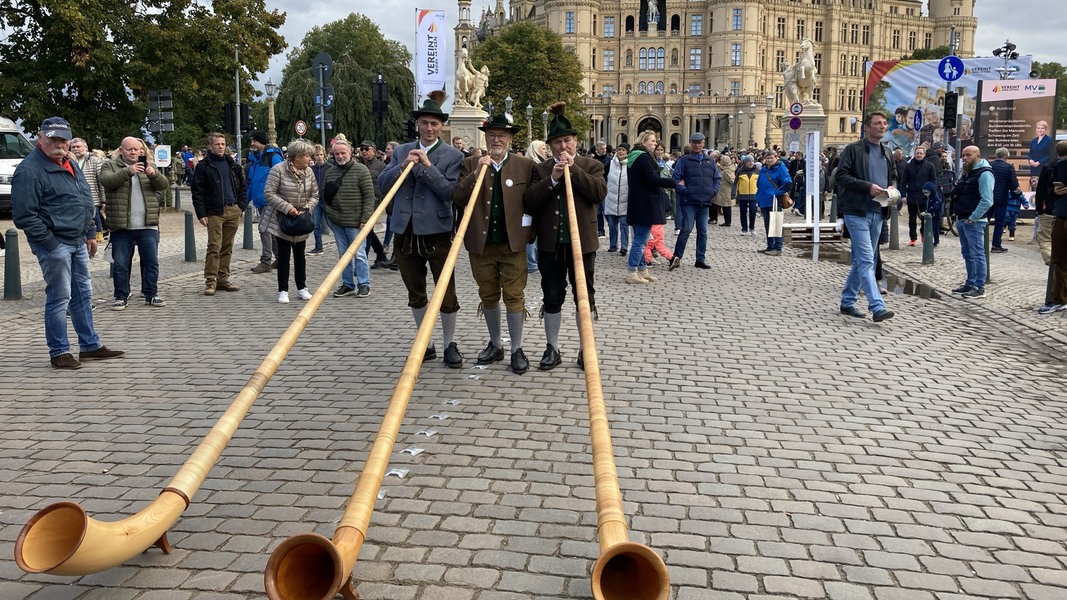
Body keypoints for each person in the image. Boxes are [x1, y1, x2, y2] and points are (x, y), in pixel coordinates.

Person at [11, 116, 124, 369]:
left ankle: (90, 346)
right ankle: (59, 351)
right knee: (60, 297)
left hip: (77, 240)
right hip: (55, 243)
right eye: (52, 138)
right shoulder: (30, 170)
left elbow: (84, 200)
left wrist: (90, 233)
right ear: (40, 137)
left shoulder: (69, 163)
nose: (58, 143)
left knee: (83, 295)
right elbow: (24, 215)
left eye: (63, 139)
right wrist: (50, 243)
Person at [378, 90, 466, 367]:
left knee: (446, 292)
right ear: (418, 124)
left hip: (437, 231)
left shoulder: (453, 155)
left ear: (442, 127)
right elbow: (383, 185)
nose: (429, 128)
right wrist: (402, 165)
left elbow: (450, 192)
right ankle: (425, 343)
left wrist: (427, 166)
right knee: (415, 291)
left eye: (435, 124)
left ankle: (450, 343)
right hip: (405, 231)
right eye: (425, 123)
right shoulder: (402, 150)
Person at [524, 102, 607, 370]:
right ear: (550, 145)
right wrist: (553, 180)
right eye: (557, 142)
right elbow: (530, 202)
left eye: (567, 141)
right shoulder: (542, 169)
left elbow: (598, 193)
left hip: (582, 243)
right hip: (551, 244)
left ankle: (586, 349)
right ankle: (552, 348)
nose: (563, 147)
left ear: (576, 141)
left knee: (585, 296)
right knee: (552, 295)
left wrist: (574, 171)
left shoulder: (591, 165)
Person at [453, 114, 536, 374]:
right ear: (485, 138)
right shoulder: (470, 163)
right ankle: (495, 343)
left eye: (502, 135)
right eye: (491, 135)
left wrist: (531, 234)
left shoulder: (525, 165)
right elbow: (457, 196)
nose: (496, 140)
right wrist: (476, 172)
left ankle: (516, 349)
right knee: (488, 294)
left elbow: (534, 200)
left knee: (514, 295)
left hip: (513, 244)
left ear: (510, 139)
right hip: (481, 242)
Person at [834, 111, 897, 322]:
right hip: (856, 211)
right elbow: (841, 176)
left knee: (864, 260)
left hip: (879, 211)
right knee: (867, 259)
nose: (882, 126)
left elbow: (893, 178)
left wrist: (892, 190)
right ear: (867, 127)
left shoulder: (887, 152)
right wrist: (867, 187)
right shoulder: (853, 150)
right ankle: (877, 306)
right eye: (877, 123)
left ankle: (847, 301)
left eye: (884, 123)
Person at [99, 136, 170, 310]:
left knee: (151, 262)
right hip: (122, 225)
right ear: (121, 150)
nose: (134, 152)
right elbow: (107, 181)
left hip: (148, 224)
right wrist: (128, 171)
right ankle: (121, 296)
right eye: (129, 149)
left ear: (141, 150)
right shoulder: (110, 165)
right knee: (121, 264)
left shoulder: (148, 166)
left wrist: (153, 175)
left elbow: (164, 186)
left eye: (137, 149)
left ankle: (151, 294)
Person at [262, 138, 320, 303]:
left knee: (300, 255)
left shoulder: (309, 172)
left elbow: (315, 195)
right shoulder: (278, 170)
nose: (310, 159)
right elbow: (269, 193)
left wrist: (307, 208)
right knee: (283, 256)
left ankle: (302, 287)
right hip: (282, 220)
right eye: (308, 156)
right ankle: (283, 290)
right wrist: (288, 208)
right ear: (297, 156)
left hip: (301, 220)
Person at [191, 132, 248, 296]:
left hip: (233, 209)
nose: (221, 147)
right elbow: (197, 192)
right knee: (214, 246)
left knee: (227, 247)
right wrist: (201, 213)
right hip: (215, 211)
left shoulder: (233, 165)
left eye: (223, 144)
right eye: (217, 144)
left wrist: (241, 206)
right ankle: (211, 280)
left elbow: (243, 187)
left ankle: (223, 279)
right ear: (211, 146)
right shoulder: (203, 166)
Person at [320, 139, 376, 299]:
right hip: (336, 221)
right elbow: (325, 195)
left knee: (359, 254)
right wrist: (329, 213)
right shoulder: (330, 172)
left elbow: (369, 197)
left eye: (343, 153)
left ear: (350, 152)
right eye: (336, 153)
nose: (340, 156)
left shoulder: (361, 170)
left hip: (356, 221)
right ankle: (348, 284)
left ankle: (364, 284)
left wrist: (366, 218)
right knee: (343, 254)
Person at [624, 130, 674, 283]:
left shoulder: (635, 156)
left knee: (643, 238)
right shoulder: (644, 157)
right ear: (644, 142)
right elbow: (652, 179)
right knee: (640, 240)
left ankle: (642, 269)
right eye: (652, 141)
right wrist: (672, 182)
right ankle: (632, 272)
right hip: (645, 204)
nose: (655, 143)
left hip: (639, 202)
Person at [669, 132, 719, 270]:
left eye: (700, 142)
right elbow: (676, 178)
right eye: (695, 142)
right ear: (691, 143)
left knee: (703, 231)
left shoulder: (710, 161)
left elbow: (717, 178)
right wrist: (685, 191)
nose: (697, 145)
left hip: (705, 201)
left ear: (703, 143)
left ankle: (700, 259)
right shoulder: (684, 161)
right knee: (686, 229)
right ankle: (677, 256)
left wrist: (713, 191)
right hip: (689, 201)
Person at [950, 145, 994, 300]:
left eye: (968, 155)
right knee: (967, 254)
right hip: (963, 218)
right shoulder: (969, 173)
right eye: (963, 155)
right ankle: (970, 282)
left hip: (974, 221)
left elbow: (987, 200)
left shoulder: (984, 173)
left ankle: (979, 287)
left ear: (977, 155)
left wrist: (973, 217)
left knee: (977, 254)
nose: (964, 158)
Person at [247, 131, 284, 273]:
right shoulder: (255, 160)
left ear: (261, 142)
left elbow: (282, 176)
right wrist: (245, 201)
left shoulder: (272, 157)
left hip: (271, 200)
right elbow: (252, 183)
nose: (252, 144)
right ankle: (280, 258)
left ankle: (266, 261)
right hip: (260, 201)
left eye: (254, 141)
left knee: (264, 229)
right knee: (272, 230)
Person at [1038, 141, 1067, 314]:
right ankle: (1059, 299)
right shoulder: (1057, 166)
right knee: (1059, 259)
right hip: (1061, 215)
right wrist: (1054, 192)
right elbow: (1048, 189)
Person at [356, 140, 391, 270]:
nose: (364, 152)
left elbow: (386, 184)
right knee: (368, 230)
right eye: (362, 149)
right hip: (361, 202)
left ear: (374, 151)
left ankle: (362, 262)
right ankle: (381, 254)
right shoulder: (358, 165)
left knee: (366, 231)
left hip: (376, 202)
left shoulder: (381, 166)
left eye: (367, 149)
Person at [69, 138, 107, 242]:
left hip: (92, 197)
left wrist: (104, 200)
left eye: (78, 147)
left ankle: (98, 234)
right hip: (75, 199)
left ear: (85, 148)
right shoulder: (68, 160)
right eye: (73, 147)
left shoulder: (94, 160)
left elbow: (102, 181)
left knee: (94, 219)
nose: (76, 149)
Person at [899, 146, 938, 246]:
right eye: (917, 153)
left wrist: (931, 192)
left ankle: (923, 233)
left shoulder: (929, 166)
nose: (919, 155)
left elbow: (933, 181)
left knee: (924, 217)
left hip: (925, 196)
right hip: (912, 195)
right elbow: (903, 182)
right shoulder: (909, 166)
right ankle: (913, 238)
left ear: (924, 155)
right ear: (914, 154)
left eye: (921, 153)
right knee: (912, 218)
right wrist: (903, 195)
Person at [755, 151, 792, 257]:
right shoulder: (764, 169)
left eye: (771, 158)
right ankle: (770, 246)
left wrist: (776, 193)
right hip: (764, 200)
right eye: (768, 158)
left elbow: (788, 183)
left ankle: (777, 247)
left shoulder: (781, 168)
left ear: (776, 158)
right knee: (768, 224)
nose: (769, 160)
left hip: (775, 200)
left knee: (776, 224)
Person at [988, 147, 1021, 253]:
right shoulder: (1008, 167)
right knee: (999, 223)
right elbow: (1014, 185)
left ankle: (979, 243)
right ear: (1007, 156)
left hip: (987, 197)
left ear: (996, 155)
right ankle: (996, 245)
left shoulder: (988, 165)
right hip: (1001, 199)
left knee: (983, 221)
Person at [603, 144, 629, 254]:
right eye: (619, 150)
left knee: (624, 224)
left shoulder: (630, 165)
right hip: (611, 197)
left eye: (623, 150)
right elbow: (603, 177)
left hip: (625, 198)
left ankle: (624, 246)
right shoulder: (610, 163)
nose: (621, 152)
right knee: (612, 224)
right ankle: (613, 245)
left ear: (627, 152)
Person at [307, 142, 329, 255]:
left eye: (320, 155)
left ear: (324, 155)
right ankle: (318, 246)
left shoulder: (330, 168)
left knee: (332, 224)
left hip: (327, 200)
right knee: (315, 224)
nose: (319, 157)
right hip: (317, 200)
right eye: (316, 155)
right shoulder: (311, 169)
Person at [734, 154, 759, 235]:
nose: (751, 163)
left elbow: (760, 183)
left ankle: (752, 227)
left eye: (752, 161)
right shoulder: (740, 171)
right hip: (742, 195)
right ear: (745, 162)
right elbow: (735, 183)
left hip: (753, 194)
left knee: (752, 211)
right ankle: (744, 229)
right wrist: (733, 193)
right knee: (743, 212)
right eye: (749, 161)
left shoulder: (757, 171)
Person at [1028, 120, 1052, 188]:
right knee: (1033, 188)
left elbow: (1050, 155)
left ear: (1045, 129)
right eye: (1038, 128)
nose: (1040, 130)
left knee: (1042, 188)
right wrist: (1030, 160)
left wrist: (1039, 162)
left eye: (1042, 128)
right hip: (1033, 168)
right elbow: (1030, 153)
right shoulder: (1033, 141)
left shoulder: (1049, 140)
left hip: (1043, 167)